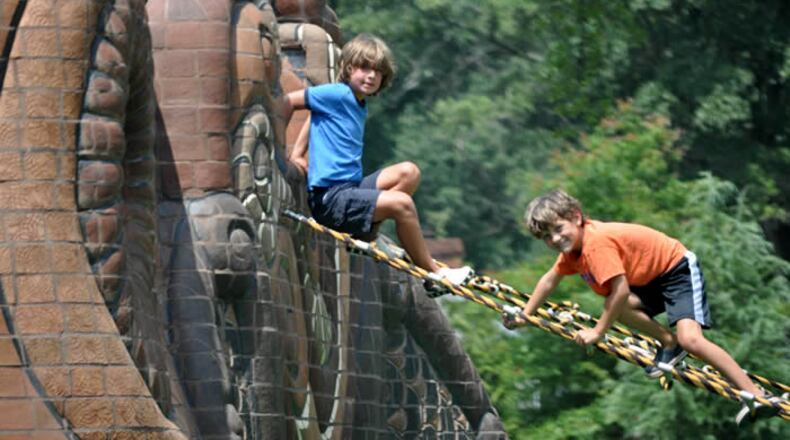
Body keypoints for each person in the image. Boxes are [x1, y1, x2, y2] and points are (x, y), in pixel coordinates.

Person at [509, 189, 780, 425]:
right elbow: (548, 280)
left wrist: (598, 332)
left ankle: (757, 396)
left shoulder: (596, 244)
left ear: (576, 217)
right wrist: (525, 314)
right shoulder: (571, 254)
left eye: (558, 229)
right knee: (620, 306)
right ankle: (668, 343)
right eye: (546, 236)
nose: (555, 239)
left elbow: (621, 290)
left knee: (692, 340)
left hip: (676, 270)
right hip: (650, 280)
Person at [279, 33, 472, 286]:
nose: (371, 75)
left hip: (350, 190)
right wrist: (284, 152)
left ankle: (365, 235)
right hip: (330, 199)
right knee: (402, 204)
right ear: (349, 69)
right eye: (364, 67)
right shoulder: (338, 93)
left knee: (408, 172)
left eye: (377, 71)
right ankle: (433, 274)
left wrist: (299, 152)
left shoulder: (358, 103)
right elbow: (287, 102)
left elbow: (316, 116)